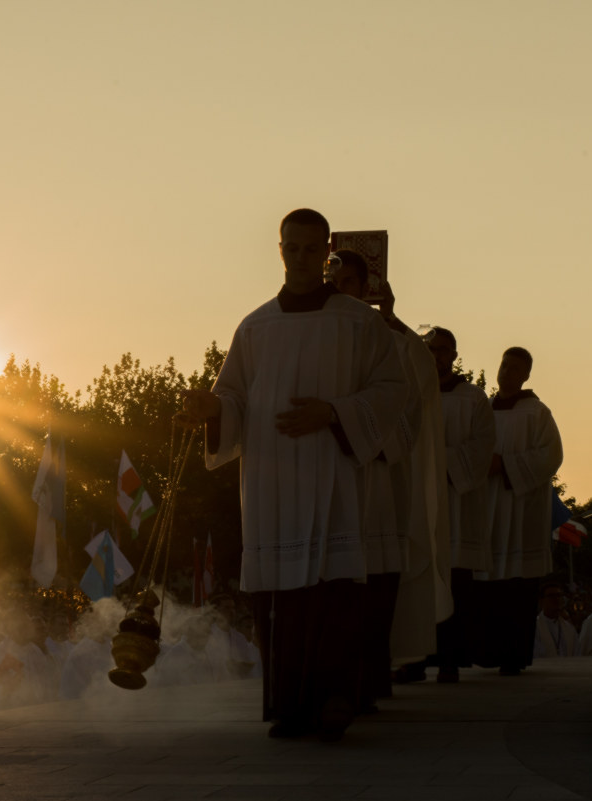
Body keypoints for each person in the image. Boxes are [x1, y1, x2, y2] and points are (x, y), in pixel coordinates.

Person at [182, 209, 408, 740]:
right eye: (292, 248)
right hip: (272, 483)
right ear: (279, 249)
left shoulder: (357, 321)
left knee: (332, 593)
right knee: (281, 599)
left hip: (331, 476)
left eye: (312, 249)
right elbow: (233, 395)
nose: (302, 258)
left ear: (326, 250)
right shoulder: (256, 326)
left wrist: (333, 413)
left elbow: (392, 390)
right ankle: (287, 707)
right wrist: (212, 410)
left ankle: (332, 701)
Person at [330, 250, 449, 701]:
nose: (343, 289)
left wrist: (366, 438)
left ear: (367, 287)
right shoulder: (320, 334)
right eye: (335, 280)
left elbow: (412, 407)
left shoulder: (397, 342)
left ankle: (369, 680)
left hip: (379, 482)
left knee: (376, 586)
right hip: (333, 479)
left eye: (350, 282)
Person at [482, 347, 563, 674]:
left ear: (526, 375)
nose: (507, 373)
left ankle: (514, 656)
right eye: (504, 366)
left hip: (522, 510)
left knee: (518, 587)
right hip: (488, 510)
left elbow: (552, 456)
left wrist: (507, 466)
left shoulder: (537, 413)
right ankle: (489, 652)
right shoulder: (483, 410)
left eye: (516, 369)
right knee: (490, 588)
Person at [425, 326, 495, 681]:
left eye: (442, 350)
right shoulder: (412, 395)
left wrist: (439, 461)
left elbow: (482, 449)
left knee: (454, 582)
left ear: (453, 355)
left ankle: (450, 659)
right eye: (430, 350)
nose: (436, 356)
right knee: (419, 581)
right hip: (420, 506)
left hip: (456, 506)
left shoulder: (473, 399)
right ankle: (416, 659)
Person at [533, 582, 579, 658]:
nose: (556, 599)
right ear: (541, 601)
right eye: (551, 596)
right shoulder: (535, 627)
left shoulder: (569, 629)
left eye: (559, 595)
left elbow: (577, 654)